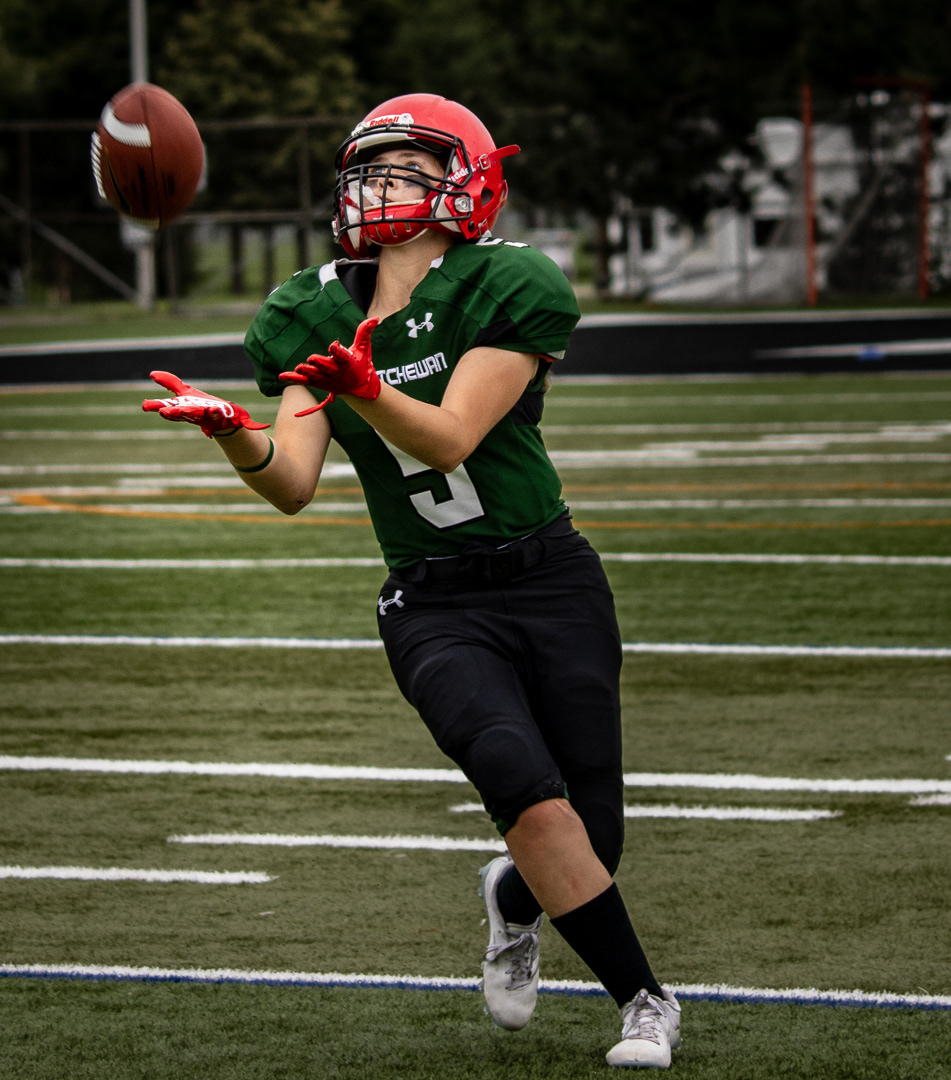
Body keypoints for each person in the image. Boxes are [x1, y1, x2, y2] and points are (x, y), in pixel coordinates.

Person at [143, 92, 681, 1069]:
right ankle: (644, 1000)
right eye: (367, 167)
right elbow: (292, 483)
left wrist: (368, 388)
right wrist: (234, 436)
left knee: (592, 834)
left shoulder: (507, 282)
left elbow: (451, 437)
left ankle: (512, 896)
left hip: (550, 579)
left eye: (407, 166)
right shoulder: (309, 309)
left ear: (466, 183)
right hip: (433, 602)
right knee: (522, 786)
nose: (377, 183)